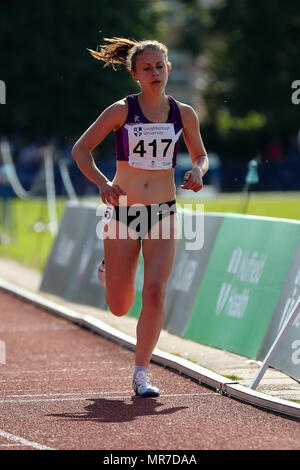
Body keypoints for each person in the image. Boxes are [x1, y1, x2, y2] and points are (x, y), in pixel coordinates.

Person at [72, 37, 209, 397]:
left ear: (169, 69)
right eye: (147, 68)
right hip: (123, 212)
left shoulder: (184, 113)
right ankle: (109, 269)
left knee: (154, 293)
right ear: (135, 74)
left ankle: (140, 373)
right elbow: (80, 149)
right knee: (119, 306)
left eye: (160, 66)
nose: (155, 73)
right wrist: (102, 183)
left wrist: (197, 172)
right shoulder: (121, 111)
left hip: (164, 211)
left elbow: (201, 155)